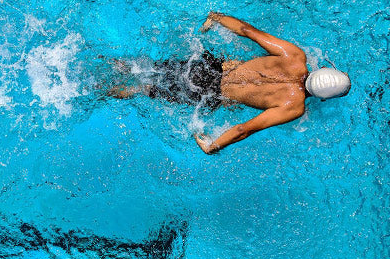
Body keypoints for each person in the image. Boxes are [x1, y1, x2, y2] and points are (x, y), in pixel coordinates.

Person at [109, 13, 351, 154]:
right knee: (143, 90)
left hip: (208, 67)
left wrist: (217, 18)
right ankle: (102, 92)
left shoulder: (295, 56)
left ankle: (109, 62)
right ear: (323, 97)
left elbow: (247, 30)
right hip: (208, 94)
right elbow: (243, 129)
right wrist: (213, 146)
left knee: (147, 67)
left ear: (323, 68)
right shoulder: (294, 106)